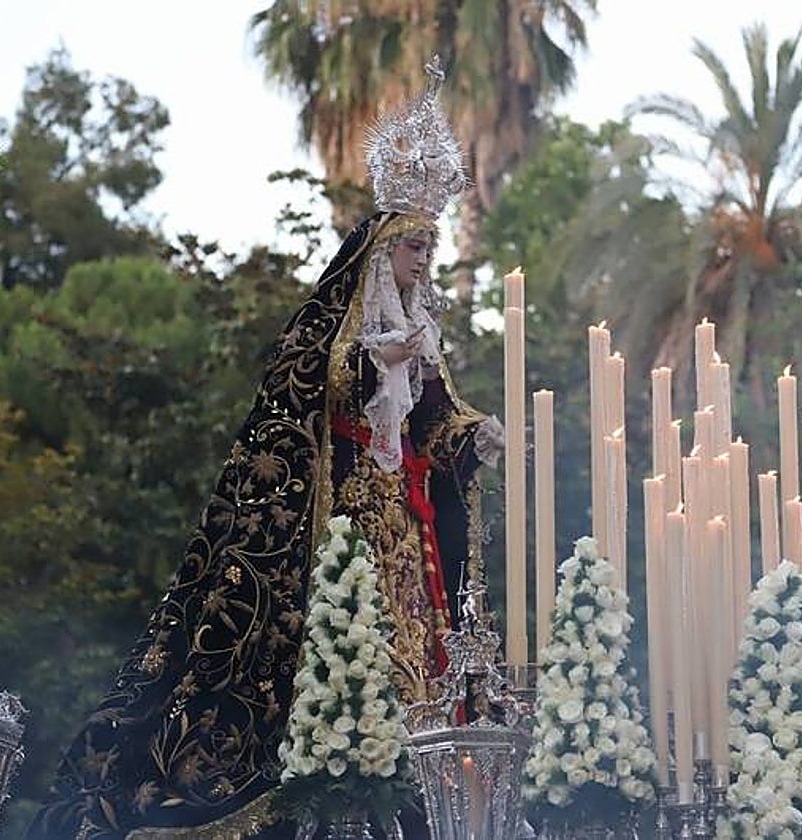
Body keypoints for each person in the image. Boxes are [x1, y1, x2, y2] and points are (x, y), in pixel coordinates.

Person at [26, 58, 501, 840]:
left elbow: (433, 421)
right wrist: (367, 366)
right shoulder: (337, 326)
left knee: (414, 648)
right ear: (380, 254)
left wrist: (472, 434)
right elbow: (296, 385)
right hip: (338, 523)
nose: (424, 260)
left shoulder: (422, 335)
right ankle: (333, 779)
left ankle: (412, 785)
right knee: (341, 638)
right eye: (413, 247)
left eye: (430, 247)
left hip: (405, 526)